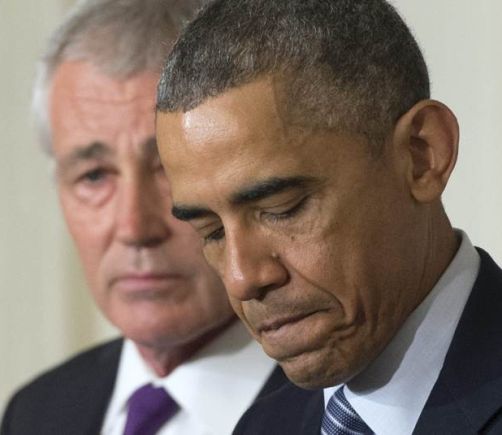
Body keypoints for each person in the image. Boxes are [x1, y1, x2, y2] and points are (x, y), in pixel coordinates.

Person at [155, 0, 502, 433]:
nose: (242, 279)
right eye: (211, 233)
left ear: (421, 155)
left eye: (282, 209)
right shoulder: (262, 426)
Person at [0, 1, 287, 434]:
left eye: (168, 169)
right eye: (94, 176)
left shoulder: (347, 411)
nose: (135, 227)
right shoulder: (36, 413)